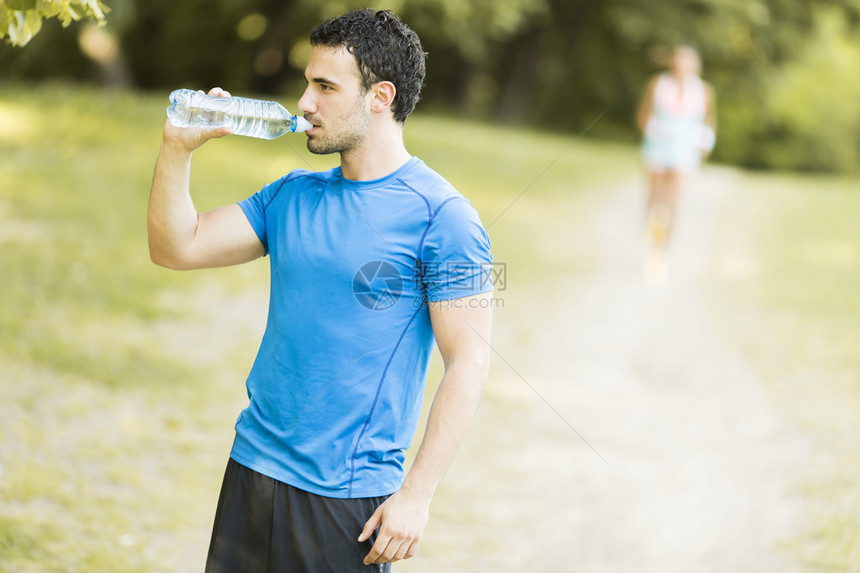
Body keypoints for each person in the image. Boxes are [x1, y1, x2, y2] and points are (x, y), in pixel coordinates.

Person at [147, 9, 494, 572]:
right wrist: (176, 149)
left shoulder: (444, 218)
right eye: (308, 84)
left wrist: (417, 495)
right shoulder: (291, 195)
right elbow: (176, 247)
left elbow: (470, 359)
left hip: (347, 500)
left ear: (380, 97)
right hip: (253, 468)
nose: (304, 103)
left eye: (325, 87)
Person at [636, 44, 716, 265]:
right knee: (655, 200)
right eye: (678, 60)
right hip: (658, 147)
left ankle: (661, 252)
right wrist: (653, 129)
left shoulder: (704, 91)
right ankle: (652, 232)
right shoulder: (658, 84)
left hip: (684, 150)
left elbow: (708, 123)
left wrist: (704, 144)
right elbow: (644, 115)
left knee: (673, 201)